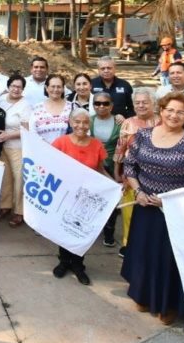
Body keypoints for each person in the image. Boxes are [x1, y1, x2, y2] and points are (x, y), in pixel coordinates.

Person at [121, 92, 184, 326]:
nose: (174, 115)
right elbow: (130, 166)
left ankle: (167, 304)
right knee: (143, 254)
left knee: (170, 259)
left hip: (175, 213)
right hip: (144, 207)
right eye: (170, 110)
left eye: (180, 112)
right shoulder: (143, 135)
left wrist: (170, 200)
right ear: (161, 110)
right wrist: (138, 192)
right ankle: (142, 295)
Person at [51, 109, 108, 286]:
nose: (81, 126)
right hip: (65, 195)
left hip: (87, 197)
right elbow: (51, 166)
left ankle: (78, 265)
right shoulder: (60, 143)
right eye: (77, 121)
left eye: (85, 122)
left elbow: (100, 170)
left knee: (81, 230)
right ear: (70, 122)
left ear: (89, 124)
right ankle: (63, 262)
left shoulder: (97, 145)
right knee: (64, 228)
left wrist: (114, 184)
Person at [113, 89, 159, 257]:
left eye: (145, 102)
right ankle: (128, 244)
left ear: (153, 104)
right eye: (137, 103)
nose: (141, 106)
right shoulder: (128, 123)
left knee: (150, 213)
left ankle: (148, 246)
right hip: (130, 174)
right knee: (129, 213)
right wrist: (118, 171)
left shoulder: (161, 122)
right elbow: (120, 147)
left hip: (155, 175)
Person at [0, 73, 31, 227]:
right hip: (1, 146)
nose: (16, 89)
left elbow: (26, 130)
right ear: (8, 86)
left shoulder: (25, 105)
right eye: (13, 86)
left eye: (19, 87)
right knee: (5, 178)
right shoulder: (1, 100)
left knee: (19, 179)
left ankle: (19, 212)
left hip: (17, 147)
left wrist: (8, 136)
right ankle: (5, 206)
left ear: (23, 89)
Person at [90, 92, 122, 247]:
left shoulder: (119, 122)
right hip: (91, 165)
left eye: (105, 103)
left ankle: (109, 231)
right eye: (97, 103)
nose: (101, 106)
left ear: (111, 105)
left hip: (112, 164)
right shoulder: (88, 121)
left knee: (112, 200)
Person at [31, 75, 73, 145]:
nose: (56, 89)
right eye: (53, 86)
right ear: (46, 88)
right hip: (42, 151)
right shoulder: (37, 108)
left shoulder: (72, 107)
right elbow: (32, 132)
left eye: (59, 87)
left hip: (67, 152)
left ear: (63, 89)